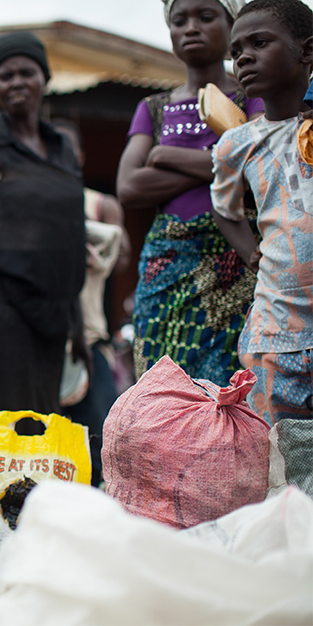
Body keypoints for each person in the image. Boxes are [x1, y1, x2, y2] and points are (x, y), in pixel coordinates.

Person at [0, 32, 86, 445]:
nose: (17, 82)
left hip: (52, 313)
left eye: (27, 72)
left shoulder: (61, 147)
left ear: (44, 78)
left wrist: (76, 323)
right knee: (5, 424)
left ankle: (34, 508)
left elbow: (69, 239)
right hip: (0, 310)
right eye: (5, 76)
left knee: (45, 422)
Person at [116, 0, 265, 387]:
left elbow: (258, 170)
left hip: (238, 263)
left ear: (232, 25)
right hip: (168, 266)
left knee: (234, 389)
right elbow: (130, 187)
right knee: (161, 387)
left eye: (206, 16)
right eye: (179, 20)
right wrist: (220, 161)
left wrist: (166, 156)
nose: (191, 28)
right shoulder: (154, 108)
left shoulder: (251, 97)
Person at [211, 0, 313, 424]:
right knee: (278, 461)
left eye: (260, 43)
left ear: (307, 51)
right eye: (236, 51)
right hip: (276, 333)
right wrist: (250, 252)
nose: (244, 57)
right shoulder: (237, 144)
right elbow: (225, 209)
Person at [53, 119, 130, 486]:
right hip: (46, 339)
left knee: (100, 441)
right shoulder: (32, 202)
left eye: (67, 148)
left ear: (81, 155)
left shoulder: (101, 205)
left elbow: (124, 256)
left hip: (91, 338)